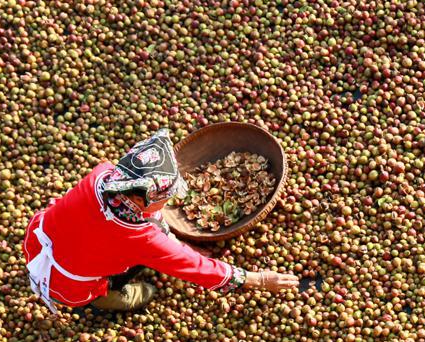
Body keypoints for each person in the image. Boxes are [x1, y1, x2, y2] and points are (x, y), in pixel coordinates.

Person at [23, 128, 298, 313]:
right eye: (166, 196)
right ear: (144, 200)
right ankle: (108, 300)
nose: (169, 202)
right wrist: (260, 280)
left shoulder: (104, 174)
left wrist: (172, 243)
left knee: (129, 249)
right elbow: (197, 269)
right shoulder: (140, 240)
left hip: (43, 238)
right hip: (68, 282)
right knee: (139, 293)